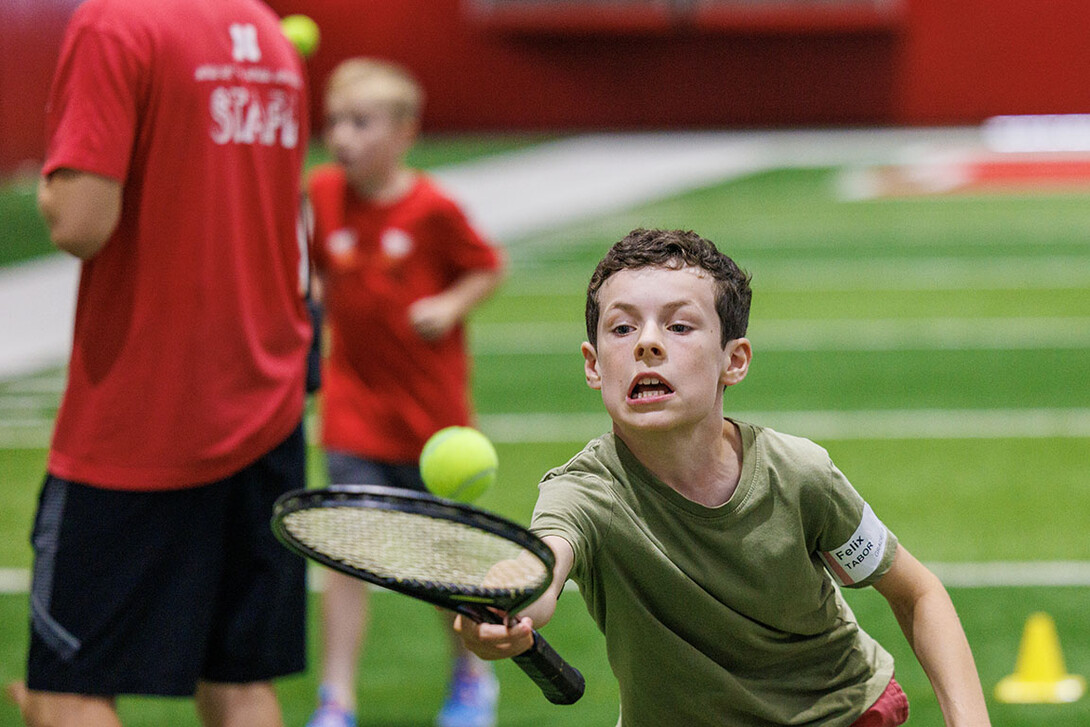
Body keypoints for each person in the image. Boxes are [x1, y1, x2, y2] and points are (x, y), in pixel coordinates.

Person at [455, 228, 992, 726]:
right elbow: (543, 569)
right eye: (622, 327)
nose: (647, 342)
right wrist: (509, 596)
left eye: (679, 325)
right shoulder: (583, 493)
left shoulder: (800, 475)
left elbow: (918, 593)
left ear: (734, 361)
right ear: (594, 366)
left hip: (838, 713)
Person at [20, 1, 312, 725]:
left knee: (65, 690)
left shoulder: (117, 23)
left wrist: (47, 184)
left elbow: (82, 222)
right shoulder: (268, 34)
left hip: (145, 410)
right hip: (266, 399)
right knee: (239, 682)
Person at [304, 58, 506, 727]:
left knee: (442, 559)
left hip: (432, 423)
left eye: (361, 122)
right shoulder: (324, 193)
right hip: (352, 410)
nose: (343, 135)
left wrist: (449, 305)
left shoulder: (433, 208)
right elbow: (315, 272)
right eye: (335, 120)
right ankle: (336, 697)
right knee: (347, 555)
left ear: (403, 132)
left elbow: (486, 266)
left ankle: (470, 676)